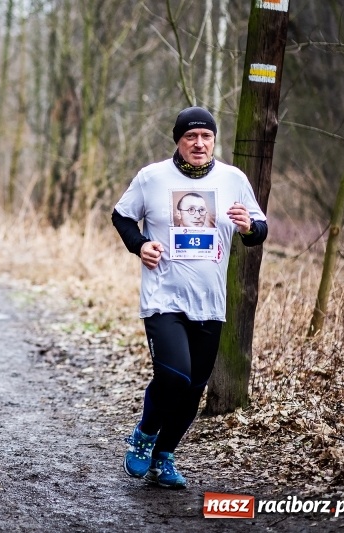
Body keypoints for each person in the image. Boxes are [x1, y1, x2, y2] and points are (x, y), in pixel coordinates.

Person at [111, 106, 267, 488]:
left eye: (206, 137)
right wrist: (140, 244)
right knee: (174, 375)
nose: (199, 143)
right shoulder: (152, 177)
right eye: (190, 137)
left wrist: (249, 227)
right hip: (164, 296)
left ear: (214, 141)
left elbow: (259, 227)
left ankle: (165, 457)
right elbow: (121, 216)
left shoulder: (233, 178)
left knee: (194, 388)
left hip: (210, 303)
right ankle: (145, 434)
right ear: (178, 142)